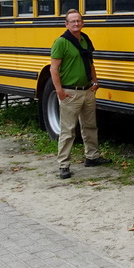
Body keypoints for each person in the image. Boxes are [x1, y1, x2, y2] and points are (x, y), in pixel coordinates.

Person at [50, 9, 109, 179]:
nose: (76, 24)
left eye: (79, 21)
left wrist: (95, 81)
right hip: (70, 92)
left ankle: (92, 156)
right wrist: (59, 91)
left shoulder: (84, 40)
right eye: (73, 21)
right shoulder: (61, 42)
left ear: (82, 23)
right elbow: (54, 68)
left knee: (90, 126)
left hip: (87, 90)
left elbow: (89, 62)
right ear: (66, 24)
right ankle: (63, 165)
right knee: (68, 130)